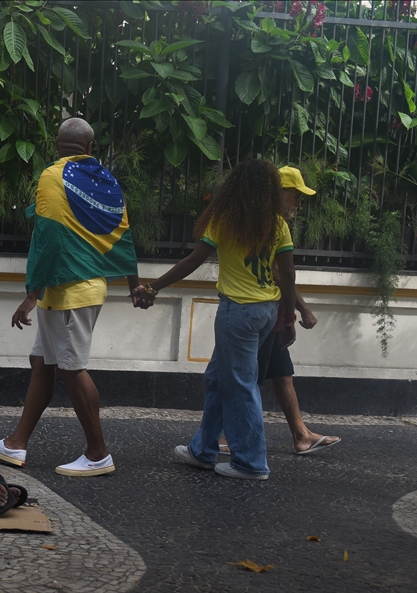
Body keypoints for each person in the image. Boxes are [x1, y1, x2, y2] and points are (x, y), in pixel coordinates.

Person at [0, 117, 147, 477]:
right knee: (43, 364)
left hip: (70, 291)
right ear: (90, 147)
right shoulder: (107, 181)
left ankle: (98, 453)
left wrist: (30, 294)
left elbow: (48, 236)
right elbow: (122, 232)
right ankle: (16, 444)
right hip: (77, 287)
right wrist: (133, 284)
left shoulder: (53, 176)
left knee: (72, 369)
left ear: (57, 145)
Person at [131, 159, 296, 480]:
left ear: (235, 186)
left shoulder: (224, 221)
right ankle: (203, 450)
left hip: (238, 312)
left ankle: (251, 462)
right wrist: (289, 316)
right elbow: (287, 274)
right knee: (219, 378)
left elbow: (193, 260)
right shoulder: (278, 224)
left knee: (240, 385)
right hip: (267, 311)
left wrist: (152, 287)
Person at [250, 166, 341, 455]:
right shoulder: (271, 225)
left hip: (272, 313)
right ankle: (230, 438)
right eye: (295, 196)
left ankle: (301, 435)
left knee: (282, 374)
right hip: (266, 314)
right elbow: (281, 275)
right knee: (248, 378)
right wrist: (298, 312)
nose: (298, 204)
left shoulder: (268, 222)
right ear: (278, 194)